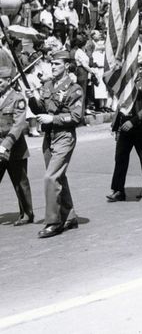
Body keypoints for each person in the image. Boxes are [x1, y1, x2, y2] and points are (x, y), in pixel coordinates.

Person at [33, 49, 84, 238]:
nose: (53, 67)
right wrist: (32, 98)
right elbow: (41, 109)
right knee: (59, 177)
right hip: (49, 137)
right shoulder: (48, 85)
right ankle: (69, 215)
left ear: (67, 66)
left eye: (57, 64)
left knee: (50, 178)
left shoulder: (74, 88)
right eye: (52, 64)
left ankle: (53, 222)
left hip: (64, 136)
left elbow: (76, 117)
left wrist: (52, 119)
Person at [106, 58, 142, 201]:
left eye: (135, 68)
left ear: (141, 69)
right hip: (124, 126)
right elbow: (106, 79)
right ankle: (118, 190)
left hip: (141, 127)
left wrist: (133, 121)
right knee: (120, 159)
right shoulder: (124, 84)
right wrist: (114, 68)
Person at [0, 43, 35, 226]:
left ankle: (27, 213)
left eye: (1, 81)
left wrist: (5, 145)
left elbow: (18, 125)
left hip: (15, 147)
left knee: (20, 182)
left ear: (8, 81)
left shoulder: (18, 98)